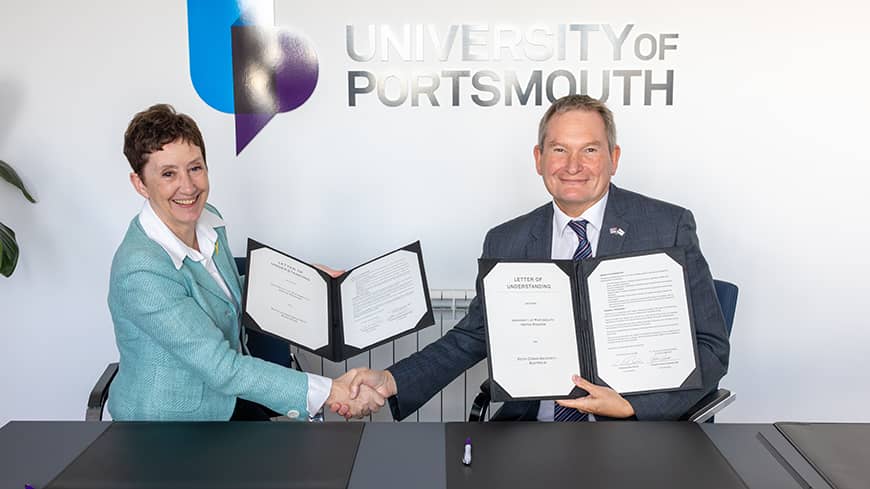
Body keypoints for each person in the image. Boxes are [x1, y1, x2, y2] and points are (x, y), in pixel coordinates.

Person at [336, 95, 730, 422]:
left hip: (635, 434)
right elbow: (472, 337)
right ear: (539, 158)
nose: (573, 166)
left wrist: (634, 406)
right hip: (530, 431)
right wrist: (390, 379)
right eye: (560, 150)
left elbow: (711, 346)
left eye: (589, 150)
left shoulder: (667, 226)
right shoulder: (507, 241)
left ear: (614, 157)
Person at [108, 104, 383, 421]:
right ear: (140, 183)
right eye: (168, 174)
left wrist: (307, 280)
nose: (188, 186)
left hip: (226, 398)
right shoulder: (141, 270)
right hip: (170, 425)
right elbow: (220, 366)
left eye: (195, 168)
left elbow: (222, 294)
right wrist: (332, 391)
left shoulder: (209, 220)